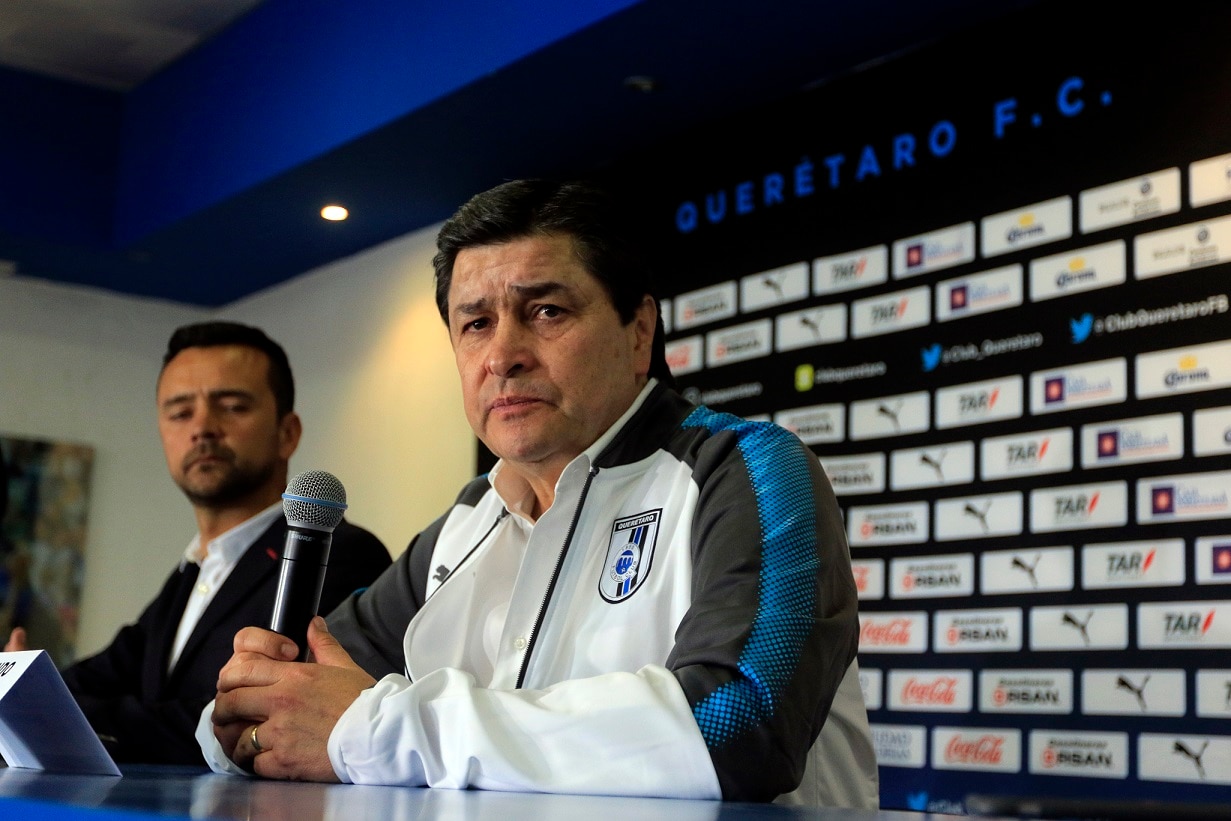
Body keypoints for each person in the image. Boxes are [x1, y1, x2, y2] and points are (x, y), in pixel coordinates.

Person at [198, 180, 879, 806]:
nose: (503, 354)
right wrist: (250, 718)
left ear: (638, 331)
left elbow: (736, 727)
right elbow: (311, 702)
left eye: (546, 310)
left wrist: (379, 727)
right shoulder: (467, 519)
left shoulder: (749, 468)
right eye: (475, 324)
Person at [6, 321, 391, 765]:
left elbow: (246, 712)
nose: (203, 427)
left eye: (231, 406)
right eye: (180, 412)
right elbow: (95, 680)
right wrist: (23, 685)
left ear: (287, 433)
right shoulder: (191, 574)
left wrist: (63, 712)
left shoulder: (338, 554)